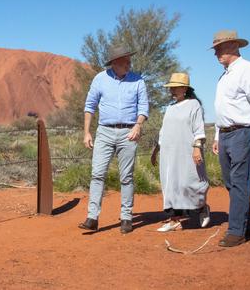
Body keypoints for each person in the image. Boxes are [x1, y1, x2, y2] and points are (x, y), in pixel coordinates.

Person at [78, 45, 149, 234]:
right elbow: (90, 106)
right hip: (105, 132)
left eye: (129, 60)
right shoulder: (100, 79)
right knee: (97, 174)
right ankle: (92, 217)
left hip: (129, 133)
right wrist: (87, 132)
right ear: (115, 63)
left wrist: (138, 125)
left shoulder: (138, 81)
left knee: (126, 177)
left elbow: (143, 107)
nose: (129, 64)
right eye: (125, 61)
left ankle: (126, 217)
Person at [210, 30, 250, 247]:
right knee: (231, 183)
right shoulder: (224, 75)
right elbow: (222, 109)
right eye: (215, 48)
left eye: (220, 47)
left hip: (244, 132)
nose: (216, 52)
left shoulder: (249, 70)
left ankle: (236, 231)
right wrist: (217, 136)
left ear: (234, 46)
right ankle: (248, 225)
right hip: (225, 134)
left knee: (239, 182)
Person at [150, 73, 210, 232]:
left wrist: (197, 147)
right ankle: (174, 220)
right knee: (171, 185)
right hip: (169, 153)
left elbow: (199, 129)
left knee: (188, 182)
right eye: (171, 88)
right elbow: (164, 132)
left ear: (185, 88)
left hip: (187, 151)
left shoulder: (194, 104)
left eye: (176, 87)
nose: (172, 91)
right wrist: (156, 150)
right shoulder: (170, 108)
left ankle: (201, 206)